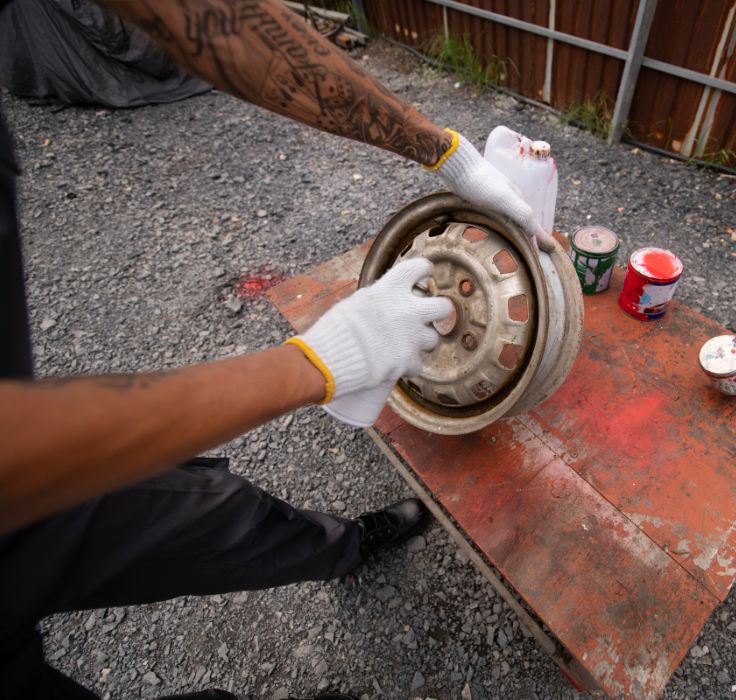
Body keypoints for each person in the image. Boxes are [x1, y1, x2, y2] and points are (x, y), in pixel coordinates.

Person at [0, 0, 553, 697]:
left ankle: (343, 548)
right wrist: (321, 361)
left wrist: (446, 152)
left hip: (52, 479)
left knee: (215, 512)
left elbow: (211, 17)